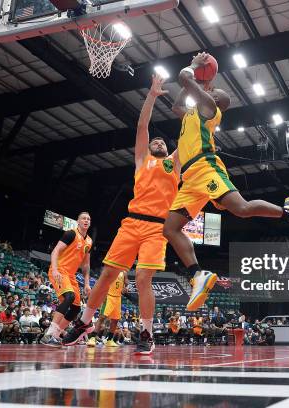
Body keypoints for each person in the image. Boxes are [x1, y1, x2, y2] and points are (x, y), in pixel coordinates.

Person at [162, 52, 289, 312]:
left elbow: (183, 78)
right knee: (170, 229)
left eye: (215, 91)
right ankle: (197, 274)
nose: (213, 90)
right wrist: (199, 81)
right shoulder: (191, 113)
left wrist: (196, 68)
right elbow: (176, 106)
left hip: (205, 166)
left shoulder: (210, 109)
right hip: (189, 179)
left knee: (241, 209)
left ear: (217, 101)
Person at [62, 75, 180, 355]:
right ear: (150, 148)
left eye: (163, 142)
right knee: (106, 275)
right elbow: (142, 126)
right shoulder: (143, 161)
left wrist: (201, 105)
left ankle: (147, 333)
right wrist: (151, 95)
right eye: (157, 141)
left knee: (142, 279)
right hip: (131, 224)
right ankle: (84, 324)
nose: (160, 142)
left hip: (156, 228)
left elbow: (190, 139)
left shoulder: (174, 165)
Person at [41, 212, 92, 346]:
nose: (86, 220)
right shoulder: (71, 234)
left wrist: (87, 284)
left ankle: (56, 335)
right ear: (78, 221)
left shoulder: (89, 241)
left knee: (76, 308)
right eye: (83, 218)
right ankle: (48, 335)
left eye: (88, 219)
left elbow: (86, 265)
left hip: (71, 275)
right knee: (69, 296)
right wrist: (55, 269)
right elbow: (55, 251)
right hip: (59, 270)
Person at [86, 270, 128, 348]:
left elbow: (126, 282)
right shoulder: (110, 269)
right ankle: (92, 338)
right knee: (102, 317)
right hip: (109, 296)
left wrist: (125, 288)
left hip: (118, 298)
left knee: (115, 320)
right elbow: (103, 282)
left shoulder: (124, 272)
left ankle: (109, 340)